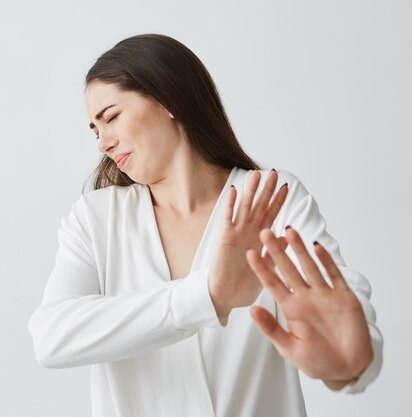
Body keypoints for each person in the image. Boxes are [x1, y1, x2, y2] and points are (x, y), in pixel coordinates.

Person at [27, 33, 383, 417]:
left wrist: (349, 365)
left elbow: (339, 307)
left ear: (169, 101)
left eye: (111, 117)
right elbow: (52, 336)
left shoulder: (271, 197)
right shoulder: (96, 217)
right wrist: (207, 297)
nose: (102, 142)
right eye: (95, 130)